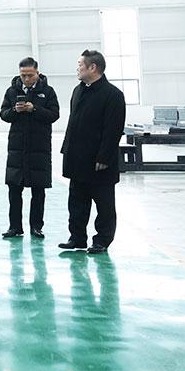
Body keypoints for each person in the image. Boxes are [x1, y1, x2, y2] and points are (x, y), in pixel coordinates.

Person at [59, 49, 126, 254]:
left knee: (104, 204)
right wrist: (66, 150)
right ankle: (77, 238)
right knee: (76, 202)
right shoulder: (78, 91)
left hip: (99, 161)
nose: (77, 69)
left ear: (93, 67)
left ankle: (102, 240)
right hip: (77, 158)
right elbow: (73, 124)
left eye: (80, 65)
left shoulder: (113, 95)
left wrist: (104, 157)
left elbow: (113, 130)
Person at [0, 57, 60, 238]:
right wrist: (15, 110)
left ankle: (36, 227)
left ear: (37, 73)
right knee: (14, 191)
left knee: (38, 191)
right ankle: (15, 227)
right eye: (23, 75)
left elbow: (54, 115)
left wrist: (34, 109)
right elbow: (3, 114)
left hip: (39, 149)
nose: (26, 79)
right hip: (17, 149)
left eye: (30, 75)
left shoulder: (48, 92)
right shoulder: (11, 91)